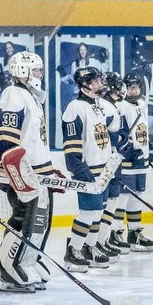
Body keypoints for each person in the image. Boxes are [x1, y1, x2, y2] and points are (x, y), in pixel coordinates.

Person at [0, 51, 59, 293]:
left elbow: (35, 141)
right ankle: (10, 268)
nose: (40, 75)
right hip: (21, 170)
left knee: (40, 220)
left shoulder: (31, 97)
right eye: (36, 70)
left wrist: (51, 171)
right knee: (24, 216)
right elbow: (5, 136)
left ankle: (29, 260)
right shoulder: (13, 94)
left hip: (37, 171)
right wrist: (15, 171)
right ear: (23, 71)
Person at [61, 65, 113, 272]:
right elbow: (72, 142)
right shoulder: (75, 107)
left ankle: (90, 248)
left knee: (98, 211)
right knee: (88, 212)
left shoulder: (98, 105)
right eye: (97, 81)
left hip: (104, 169)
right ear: (85, 85)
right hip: (88, 169)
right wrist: (78, 168)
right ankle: (73, 251)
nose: (101, 84)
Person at [113, 72, 153, 252]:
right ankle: (115, 233)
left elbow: (143, 130)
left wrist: (149, 149)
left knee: (137, 195)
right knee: (123, 197)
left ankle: (134, 233)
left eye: (136, 87)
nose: (133, 90)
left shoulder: (141, 105)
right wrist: (130, 152)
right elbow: (120, 134)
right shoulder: (120, 106)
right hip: (128, 161)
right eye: (130, 87)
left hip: (141, 161)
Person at [93, 71, 131, 262]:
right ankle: (94, 243)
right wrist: (120, 138)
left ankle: (102, 240)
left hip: (115, 161)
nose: (121, 89)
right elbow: (105, 135)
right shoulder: (103, 106)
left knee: (113, 200)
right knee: (103, 203)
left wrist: (124, 139)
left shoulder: (113, 106)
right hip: (105, 161)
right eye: (118, 85)